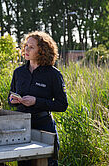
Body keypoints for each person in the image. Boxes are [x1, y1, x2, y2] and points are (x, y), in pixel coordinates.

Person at [8, 31, 68, 166]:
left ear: (42, 51)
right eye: (26, 46)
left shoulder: (53, 74)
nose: (26, 49)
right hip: (22, 127)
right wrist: (13, 101)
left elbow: (62, 105)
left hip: (44, 127)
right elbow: (10, 97)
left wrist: (36, 101)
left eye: (31, 47)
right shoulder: (18, 72)